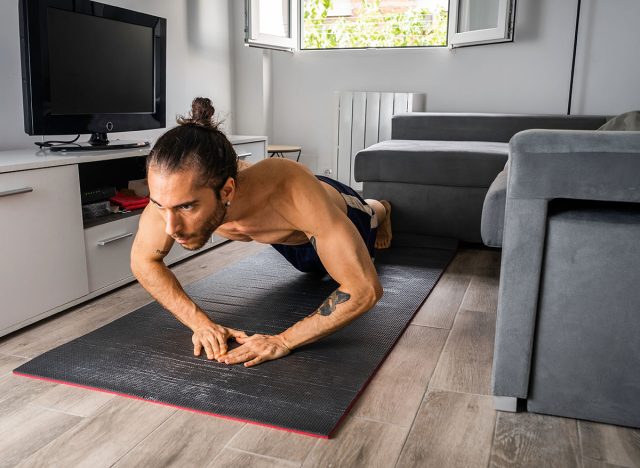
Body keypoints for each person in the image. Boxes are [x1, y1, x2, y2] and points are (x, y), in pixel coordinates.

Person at [131, 97, 393, 368]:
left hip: (341, 210)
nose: (170, 227)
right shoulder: (171, 195)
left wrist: (284, 340)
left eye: (187, 207)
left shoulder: (287, 190)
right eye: (161, 206)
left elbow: (364, 289)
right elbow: (143, 260)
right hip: (291, 240)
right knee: (311, 269)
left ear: (227, 191)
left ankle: (383, 208)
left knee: (370, 213)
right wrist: (201, 324)